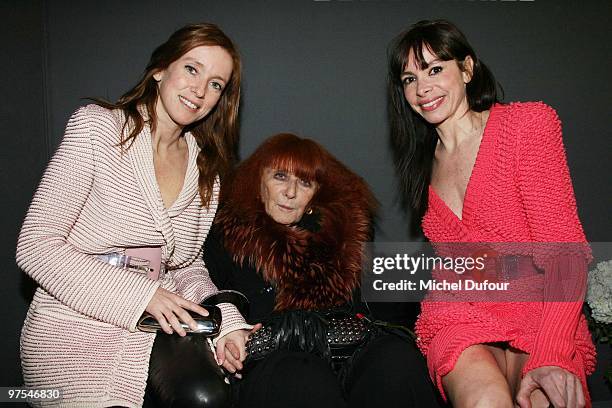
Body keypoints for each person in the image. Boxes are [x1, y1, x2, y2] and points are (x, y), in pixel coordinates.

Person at [16, 23, 252, 407]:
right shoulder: (97, 128)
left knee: (208, 397)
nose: (199, 90)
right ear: (160, 69)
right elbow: (35, 247)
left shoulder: (205, 168)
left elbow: (187, 266)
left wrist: (227, 321)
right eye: (192, 69)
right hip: (71, 325)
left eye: (216, 84)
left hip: (149, 327)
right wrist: (142, 294)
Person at [387, 19, 595, 408]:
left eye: (435, 69)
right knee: (486, 402)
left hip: (541, 312)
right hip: (460, 314)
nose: (422, 88)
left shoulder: (526, 125)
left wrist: (551, 354)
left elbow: (565, 253)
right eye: (409, 79)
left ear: (467, 69)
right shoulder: (420, 167)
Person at [203, 133, 442, 408]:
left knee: (395, 358)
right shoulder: (226, 239)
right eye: (280, 176)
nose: (290, 192)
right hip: (268, 367)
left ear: (316, 196)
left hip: (344, 359)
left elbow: (391, 298)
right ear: (258, 184)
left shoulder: (343, 247)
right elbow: (201, 294)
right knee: (303, 373)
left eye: (304, 182)